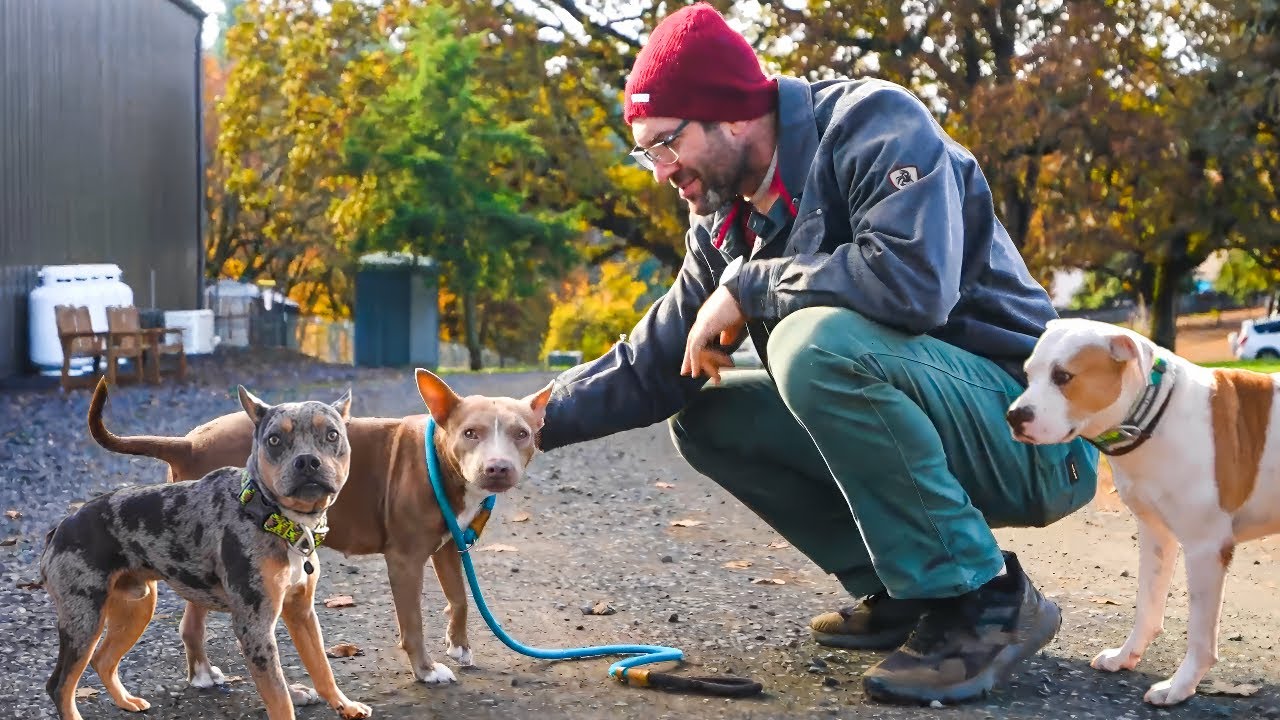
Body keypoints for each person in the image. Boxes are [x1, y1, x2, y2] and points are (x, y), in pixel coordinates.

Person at [537, 2, 1099, 705]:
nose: (660, 171)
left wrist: (750, 285)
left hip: (1034, 434)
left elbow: (913, 283)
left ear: (731, 116)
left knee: (814, 345)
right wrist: (518, 424)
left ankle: (982, 599)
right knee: (708, 414)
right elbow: (656, 364)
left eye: (666, 144)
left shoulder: (876, 125)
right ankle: (908, 590)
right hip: (957, 422)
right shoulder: (724, 218)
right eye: (648, 152)